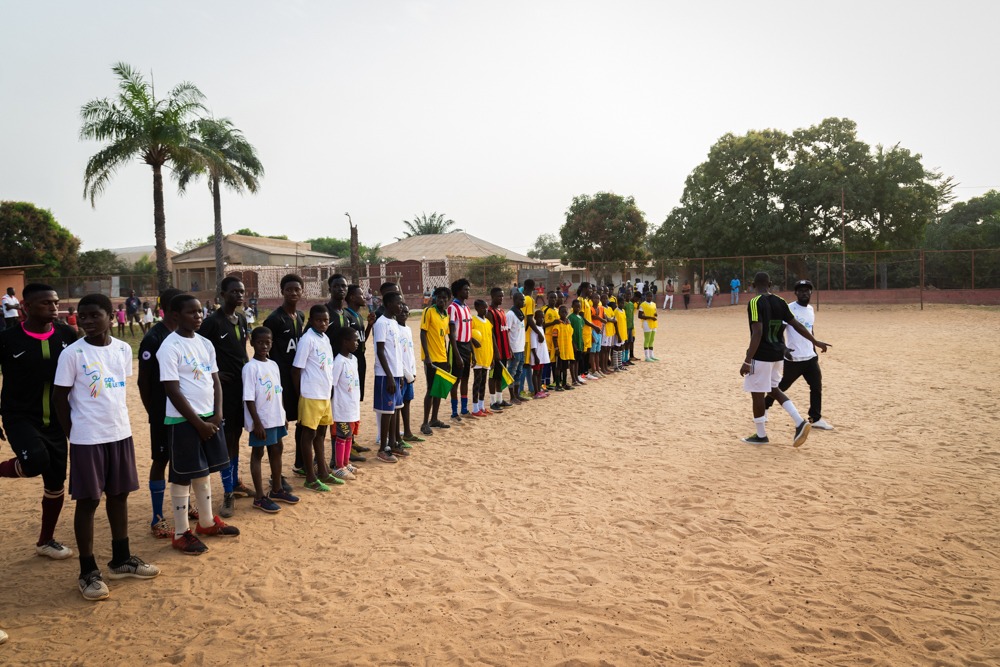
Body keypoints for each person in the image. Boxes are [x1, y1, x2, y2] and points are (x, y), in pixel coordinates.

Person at [53, 293, 159, 600]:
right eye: (82, 316)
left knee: (119, 495)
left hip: (119, 433)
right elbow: (59, 398)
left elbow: (115, 389)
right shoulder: (73, 354)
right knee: (88, 501)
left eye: (94, 315)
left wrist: (116, 426)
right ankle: (87, 571)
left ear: (111, 317)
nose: (86, 321)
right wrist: (74, 433)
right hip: (88, 438)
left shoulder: (123, 349)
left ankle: (121, 559)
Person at [157, 294, 240, 556]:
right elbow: (172, 390)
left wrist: (217, 414)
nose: (198, 316)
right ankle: (181, 533)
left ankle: (206, 522)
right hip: (183, 420)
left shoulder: (205, 343)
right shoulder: (170, 346)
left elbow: (215, 381)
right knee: (182, 475)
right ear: (175, 315)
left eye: (200, 311)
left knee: (202, 471)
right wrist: (198, 423)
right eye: (191, 312)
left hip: (209, 417)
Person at [0, 284, 78, 561]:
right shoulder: (8, 339)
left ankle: (46, 541)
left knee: (56, 483)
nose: (53, 307)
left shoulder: (67, 334)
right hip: (20, 416)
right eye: (45, 303)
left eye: (55, 302)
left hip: (57, 420)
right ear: (26, 307)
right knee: (35, 461)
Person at [739, 272, 830, 447]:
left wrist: (747, 360)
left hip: (762, 355)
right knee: (774, 389)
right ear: (770, 284)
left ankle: (761, 435)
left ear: (753, 285)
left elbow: (757, 332)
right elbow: (797, 325)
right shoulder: (780, 301)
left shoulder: (755, 302)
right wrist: (815, 341)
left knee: (757, 393)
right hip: (777, 355)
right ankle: (799, 421)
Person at [137, 288, 193, 539]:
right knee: (161, 460)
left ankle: (186, 505)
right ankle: (157, 517)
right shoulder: (154, 338)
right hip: (163, 411)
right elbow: (143, 381)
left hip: (185, 410)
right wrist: (153, 411)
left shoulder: (186, 335)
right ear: (172, 311)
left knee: (186, 459)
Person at [197, 276, 251, 518]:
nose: (239, 295)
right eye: (234, 292)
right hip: (224, 389)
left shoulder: (241, 318)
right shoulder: (212, 322)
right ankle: (228, 491)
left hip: (242, 386)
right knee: (227, 438)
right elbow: (199, 352)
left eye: (241, 291)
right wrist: (215, 374)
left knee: (236, 435)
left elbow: (241, 351)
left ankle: (235, 482)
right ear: (222, 295)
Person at [763, 280, 834, 430]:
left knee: (816, 387)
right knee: (782, 386)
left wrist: (814, 348)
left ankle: (815, 418)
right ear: (795, 293)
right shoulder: (789, 308)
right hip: (794, 358)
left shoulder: (810, 309)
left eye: (807, 290)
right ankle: (764, 406)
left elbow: (810, 330)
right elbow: (779, 331)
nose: (804, 293)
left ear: (811, 293)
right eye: (801, 291)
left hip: (810, 357)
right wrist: (784, 349)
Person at [242, 327, 298, 513]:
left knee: (277, 449)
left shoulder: (273, 365)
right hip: (261, 419)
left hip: (275, 417)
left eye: (268, 342)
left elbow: (278, 391)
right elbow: (249, 398)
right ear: (252, 343)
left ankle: (277, 489)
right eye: (260, 342)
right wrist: (257, 422)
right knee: (258, 453)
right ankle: (259, 497)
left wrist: (283, 414)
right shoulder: (250, 368)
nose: (264, 346)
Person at [263, 275, 307, 479]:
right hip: (280, 381)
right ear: (282, 291)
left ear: (302, 291)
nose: (293, 293)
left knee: (303, 421)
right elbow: (265, 350)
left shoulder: (300, 316)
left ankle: (300, 463)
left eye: (297, 289)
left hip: (297, 378)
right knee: (279, 426)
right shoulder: (274, 319)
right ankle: (276, 475)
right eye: (289, 289)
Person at [292, 305, 339, 491]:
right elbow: (296, 369)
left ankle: (323, 472)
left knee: (321, 434)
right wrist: (301, 395)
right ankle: (310, 477)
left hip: (324, 394)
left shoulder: (325, 338)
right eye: (319, 320)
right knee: (309, 435)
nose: (323, 323)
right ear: (311, 321)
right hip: (311, 395)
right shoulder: (307, 340)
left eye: (326, 320)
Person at [373, 292, 406, 462]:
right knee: (386, 412)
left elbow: (396, 352)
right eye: (398, 303)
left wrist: (400, 375)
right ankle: (382, 448)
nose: (401, 306)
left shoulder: (394, 322)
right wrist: (390, 376)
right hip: (385, 375)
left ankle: (393, 444)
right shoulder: (381, 323)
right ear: (388, 304)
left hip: (396, 373)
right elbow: (380, 351)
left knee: (395, 409)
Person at [328, 327, 363, 481]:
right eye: (354, 340)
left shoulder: (353, 359)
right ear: (345, 342)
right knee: (341, 436)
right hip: (341, 408)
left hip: (352, 406)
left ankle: (346, 463)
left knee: (349, 436)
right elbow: (332, 385)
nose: (357, 343)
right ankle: (338, 467)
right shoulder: (339, 362)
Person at [420, 286, 453, 434]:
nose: (442, 300)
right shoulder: (429, 312)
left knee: (438, 390)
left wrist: (447, 358)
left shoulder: (446, 315)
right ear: (435, 298)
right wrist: (427, 356)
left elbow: (444, 338)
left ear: (448, 300)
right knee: (430, 390)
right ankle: (424, 423)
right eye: (439, 297)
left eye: (445, 298)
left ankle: (434, 419)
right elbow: (423, 333)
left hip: (442, 357)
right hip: (431, 359)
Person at [395, 304, 423, 444]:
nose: (403, 314)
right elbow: (397, 355)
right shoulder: (395, 329)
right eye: (401, 311)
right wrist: (406, 373)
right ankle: (396, 436)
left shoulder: (408, 329)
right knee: (398, 405)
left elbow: (410, 352)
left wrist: (413, 371)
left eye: (406, 312)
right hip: (401, 374)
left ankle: (407, 432)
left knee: (407, 402)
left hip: (410, 373)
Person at [447, 279, 473, 421]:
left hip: (467, 346)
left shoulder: (467, 307)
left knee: (465, 379)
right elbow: (451, 333)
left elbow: (469, 331)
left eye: (468, 289)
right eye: (465, 290)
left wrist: (472, 352)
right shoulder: (452, 308)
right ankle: (454, 412)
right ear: (458, 291)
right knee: (455, 380)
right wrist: (456, 355)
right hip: (457, 346)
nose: (467, 292)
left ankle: (464, 409)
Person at [470, 299, 494, 416]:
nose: (485, 309)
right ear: (477, 308)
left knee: (484, 382)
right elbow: (469, 335)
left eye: (486, 307)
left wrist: (492, 357)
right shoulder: (473, 321)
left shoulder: (488, 323)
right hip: (478, 356)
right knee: (477, 381)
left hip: (487, 356)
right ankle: (475, 408)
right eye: (483, 307)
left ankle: (482, 406)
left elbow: (490, 339)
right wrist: (473, 341)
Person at [505, 291, 527, 405]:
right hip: (514, 349)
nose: (523, 302)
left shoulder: (520, 313)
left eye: (523, 300)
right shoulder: (510, 314)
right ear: (515, 300)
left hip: (521, 348)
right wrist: (509, 349)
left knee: (519, 372)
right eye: (521, 300)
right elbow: (506, 333)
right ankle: (512, 396)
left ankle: (517, 394)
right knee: (511, 372)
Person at [528, 311, 549, 399]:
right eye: (539, 317)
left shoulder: (541, 328)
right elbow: (533, 345)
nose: (541, 319)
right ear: (535, 318)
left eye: (543, 317)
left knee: (540, 372)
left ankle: (539, 389)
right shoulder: (534, 330)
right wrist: (535, 356)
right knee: (536, 373)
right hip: (537, 355)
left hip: (542, 354)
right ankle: (536, 391)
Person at [568, 299, 587, 384]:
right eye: (576, 307)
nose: (578, 308)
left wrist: (582, 342)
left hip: (579, 343)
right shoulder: (570, 318)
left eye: (579, 307)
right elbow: (569, 333)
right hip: (573, 343)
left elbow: (581, 331)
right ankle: (573, 379)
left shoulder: (580, 318)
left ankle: (577, 378)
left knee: (577, 361)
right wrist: (573, 343)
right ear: (572, 307)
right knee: (573, 362)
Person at [637, 291, 659, 361]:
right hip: (646, 323)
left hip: (653, 323)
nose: (650, 298)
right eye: (648, 296)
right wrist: (650, 317)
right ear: (646, 297)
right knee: (647, 339)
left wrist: (655, 314)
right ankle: (647, 356)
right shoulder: (643, 305)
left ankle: (651, 355)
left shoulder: (654, 304)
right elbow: (640, 316)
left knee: (652, 339)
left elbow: (655, 312)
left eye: (651, 296)